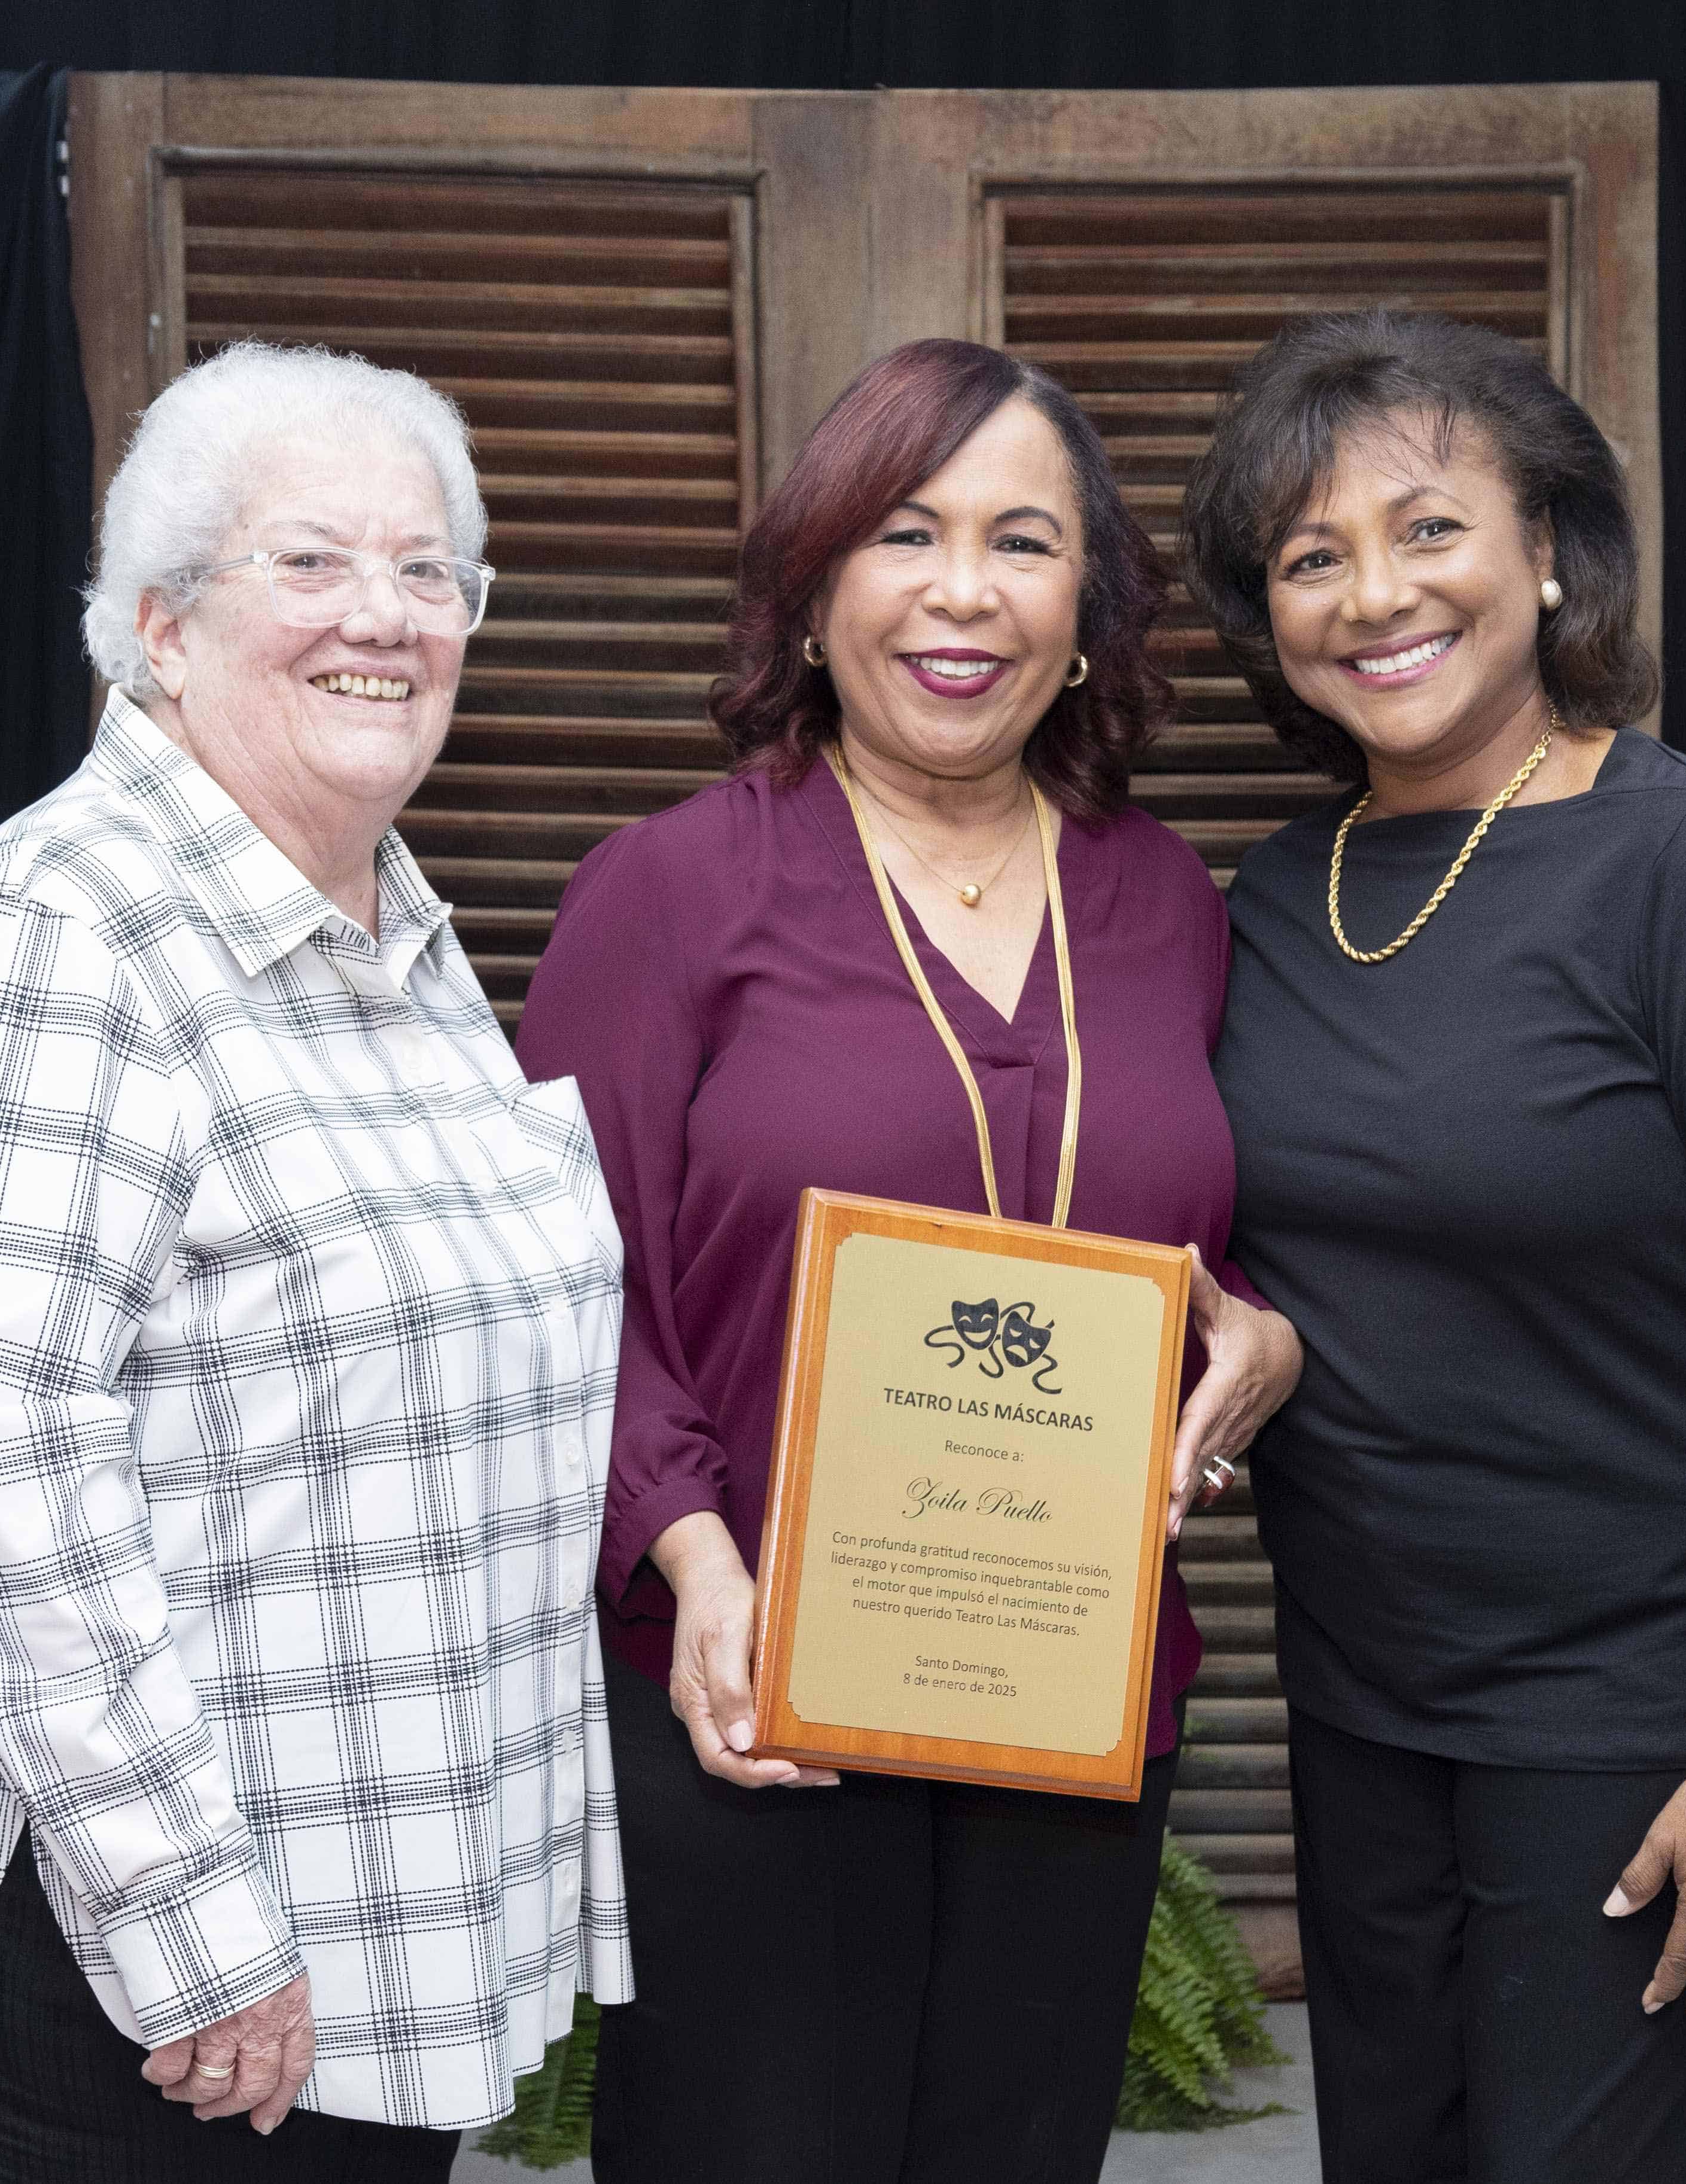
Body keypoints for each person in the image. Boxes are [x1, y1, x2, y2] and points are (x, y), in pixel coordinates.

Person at [0, 341, 628, 2184]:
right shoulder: (46, 939)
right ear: (158, 626)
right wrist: (190, 1916)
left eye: (427, 571)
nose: (382, 617)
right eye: (308, 563)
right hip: (114, 1967)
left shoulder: (387, 927)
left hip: (348, 1946)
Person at [515, 336, 1304, 2184]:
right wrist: (692, 1556)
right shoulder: (673, 889)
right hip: (751, 1676)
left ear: (1090, 613)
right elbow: (564, 1280)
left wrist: (1266, 1345)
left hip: (1070, 1677)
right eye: (903, 532)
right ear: (810, 596)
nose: (964, 591)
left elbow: (1208, 1241)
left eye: (1023, 542)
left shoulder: (1170, 905)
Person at [1183, 308, 1686, 2182]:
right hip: (1364, 1708)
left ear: (1554, 557)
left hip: (1643, 1728)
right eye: (1310, 557)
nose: (1373, 596)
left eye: (1430, 530)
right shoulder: (1276, 896)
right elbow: (1259, 1226)